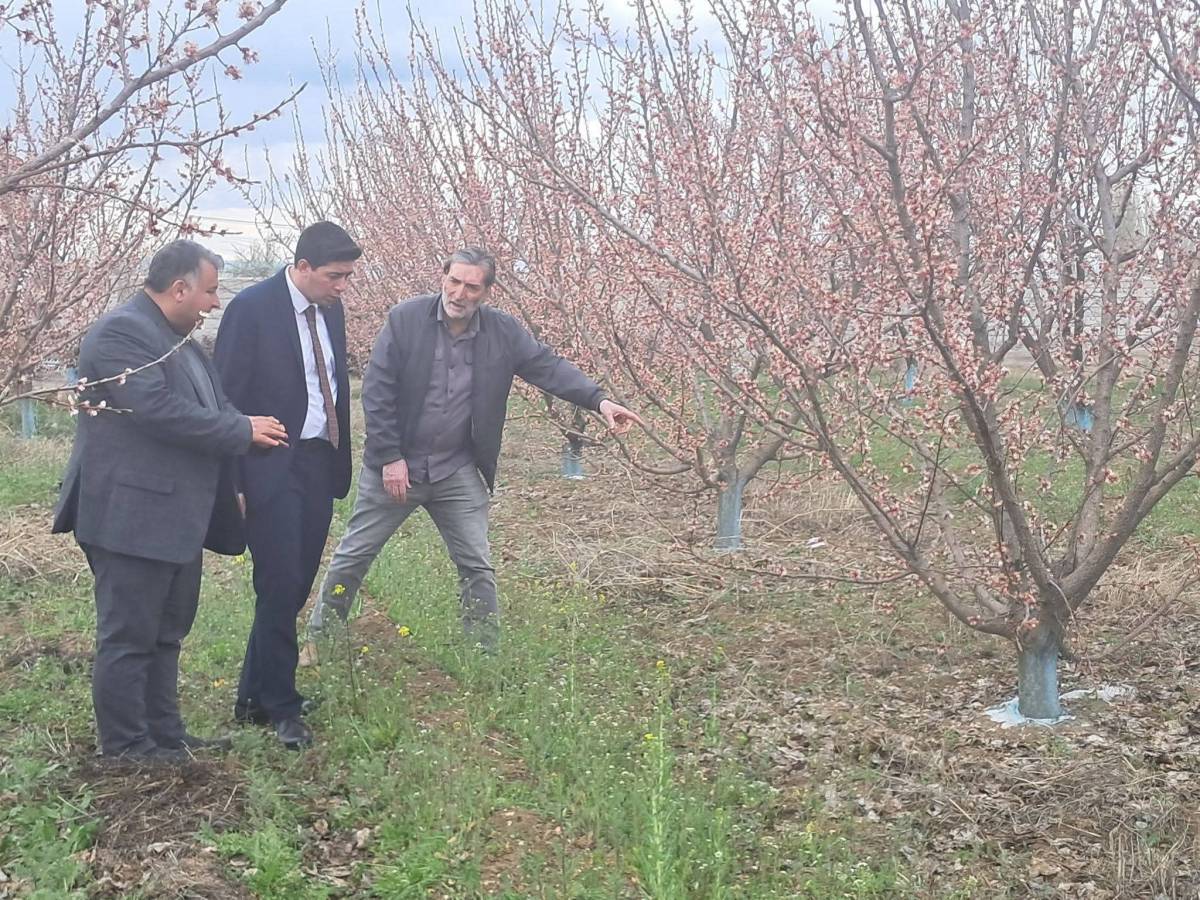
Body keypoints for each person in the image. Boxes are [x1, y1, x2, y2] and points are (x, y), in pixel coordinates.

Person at [305, 247, 642, 652]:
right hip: (398, 467)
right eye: (454, 281)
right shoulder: (406, 319)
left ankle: (484, 653)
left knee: (477, 565)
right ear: (443, 276)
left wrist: (599, 400)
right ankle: (320, 642)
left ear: (486, 292)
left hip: (456, 469)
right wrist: (389, 458)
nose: (460, 293)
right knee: (355, 554)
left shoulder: (502, 332)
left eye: (471, 287)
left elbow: (547, 366)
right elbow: (377, 394)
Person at [52, 240, 289, 764]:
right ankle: (125, 746)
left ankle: (163, 734)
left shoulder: (176, 338)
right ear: (178, 288)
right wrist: (240, 429)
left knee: (165, 633)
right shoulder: (122, 333)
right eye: (208, 291)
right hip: (129, 516)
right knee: (130, 636)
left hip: (174, 515)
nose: (214, 303)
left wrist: (236, 465)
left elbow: (215, 401)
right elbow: (156, 410)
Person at [212, 222, 361, 749]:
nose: (342, 286)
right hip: (270, 464)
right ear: (301, 267)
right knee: (277, 584)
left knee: (295, 583)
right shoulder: (251, 309)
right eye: (334, 276)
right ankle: (281, 706)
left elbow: (334, 387)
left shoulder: (331, 310)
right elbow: (223, 396)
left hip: (319, 464)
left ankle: (254, 696)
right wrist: (233, 479)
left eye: (347, 277)